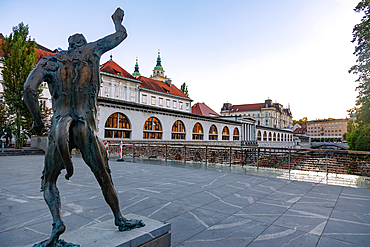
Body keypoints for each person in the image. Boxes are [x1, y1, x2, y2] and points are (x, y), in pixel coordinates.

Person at [23, 7, 144, 247]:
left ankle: (57, 223)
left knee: (49, 182)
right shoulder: (93, 51)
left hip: (59, 125)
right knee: (104, 178)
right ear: (83, 44)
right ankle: (119, 218)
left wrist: (37, 121)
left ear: (68, 46)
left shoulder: (50, 62)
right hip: (85, 126)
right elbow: (121, 35)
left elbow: (28, 89)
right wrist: (117, 21)